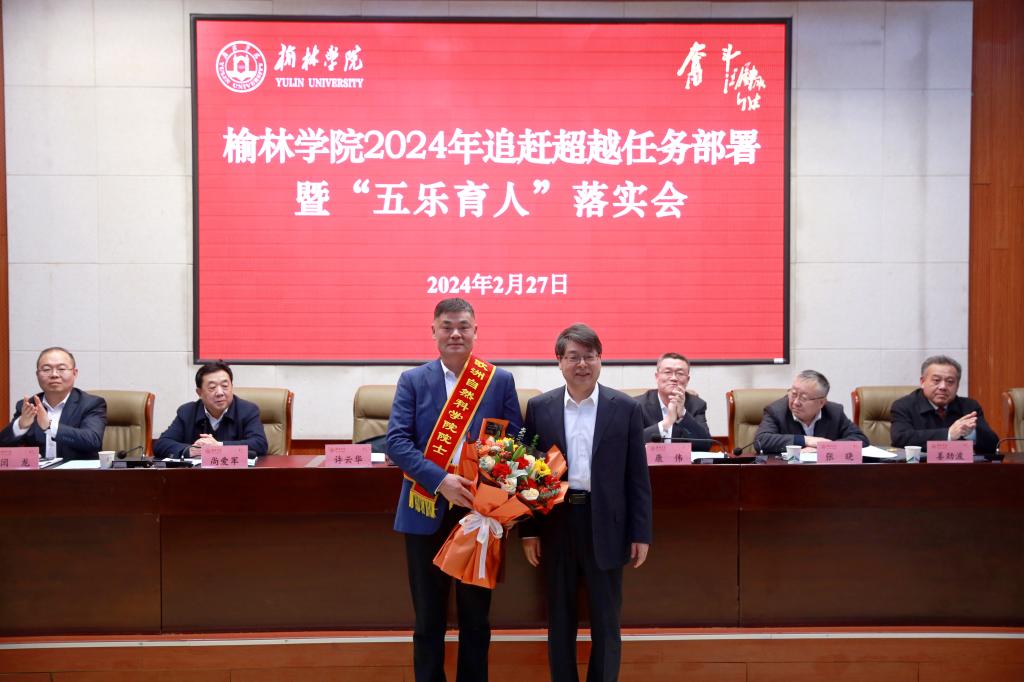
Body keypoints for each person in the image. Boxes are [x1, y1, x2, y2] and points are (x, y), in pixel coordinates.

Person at [386, 298, 522, 682]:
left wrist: (492, 488)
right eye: (447, 326)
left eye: (463, 326)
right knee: (428, 618)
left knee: (476, 617)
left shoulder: (498, 380)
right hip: (425, 507)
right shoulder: (413, 381)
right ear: (434, 331)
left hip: (479, 512)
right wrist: (440, 480)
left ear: (476, 331)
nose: (455, 334)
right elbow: (397, 442)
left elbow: (513, 441)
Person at [520, 323, 652, 682]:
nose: (582, 364)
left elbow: (637, 477)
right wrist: (529, 532)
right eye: (573, 357)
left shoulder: (625, 408)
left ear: (600, 359)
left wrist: (640, 533)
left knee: (606, 622)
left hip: (606, 523)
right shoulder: (540, 408)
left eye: (589, 356)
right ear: (559, 361)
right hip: (557, 522)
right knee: (559, 620)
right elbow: (526, 474)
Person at [0, 346, 106, 460]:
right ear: (37, 375)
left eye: (61, 369)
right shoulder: (28, 406)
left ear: (74, 373)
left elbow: (93, 441)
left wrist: (50, 426)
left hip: (77, 470)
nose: (54, 374)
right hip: (38, 471)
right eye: (46, 369)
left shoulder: (91, 404)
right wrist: (20, 426)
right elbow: (3, 447)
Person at [153, 361, 267, 459]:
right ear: (199, 392)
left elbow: (259, 444)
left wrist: (219, 446)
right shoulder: (187, 412)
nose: (220, 393)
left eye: (225, 386)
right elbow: (162, 444)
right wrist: (191, 450)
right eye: (212, 387)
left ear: (232, 386)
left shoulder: (248, 410)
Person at [890, 355, 998, 454]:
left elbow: (994, 444)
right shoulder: (904, 406)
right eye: (936, 380)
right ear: (922, 382)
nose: (943, 387)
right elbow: (900, 438)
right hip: (920, 466)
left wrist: (971, 433)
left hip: (959, 467)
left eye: (950, 381)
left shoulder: (969, 406)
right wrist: (949, 434)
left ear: (957, 385)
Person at [754, 369, 868, 454]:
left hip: (825, 473)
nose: (795, 402)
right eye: (793, 394)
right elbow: (761, 441)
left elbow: (860, 440)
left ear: (821, 402)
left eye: (803, 398)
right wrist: (806, 440)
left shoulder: (834, 412)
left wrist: (824, 448)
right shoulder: (776, 411)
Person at [635, 352, 712, 449]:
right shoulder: (638, 405)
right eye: (668, 372)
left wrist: (683, 415)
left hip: (682, 459)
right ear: (657, 377)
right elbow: (632, 441)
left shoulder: (696, 405)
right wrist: (666, 423)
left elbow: (705, 445)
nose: (674, 378)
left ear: (687, 380)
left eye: (680, 373)